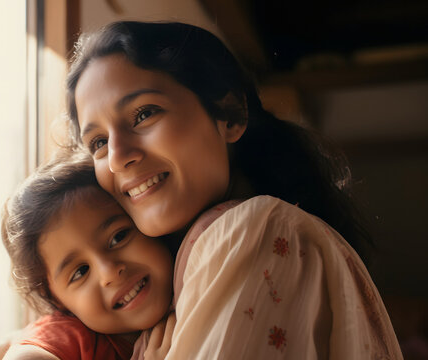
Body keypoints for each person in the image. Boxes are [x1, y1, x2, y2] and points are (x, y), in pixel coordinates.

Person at [66, 21, 403, 359]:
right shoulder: (202, 254)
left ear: (231, 114)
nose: (117, 158)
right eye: (98, 142)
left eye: (144, 114)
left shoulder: (252, 231)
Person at [0, 151, 176, 360]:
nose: (109, 272)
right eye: (80, 272)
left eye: (118, 238)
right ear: (57, 300)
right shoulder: (72, 335)